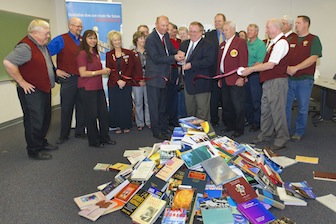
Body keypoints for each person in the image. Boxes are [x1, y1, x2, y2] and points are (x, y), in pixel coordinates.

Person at [3, 19, 58, 160]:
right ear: (34, 33)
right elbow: (8, 62)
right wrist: (22, 82)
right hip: (32, 91)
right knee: (35, 121)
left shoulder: (42, 45)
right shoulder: (25, 47)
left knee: (45, 118)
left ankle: (41, 142)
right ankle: (34, 150)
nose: (48, 36)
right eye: (46, 34)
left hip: (44, 88)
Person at [241, 18, 290, 150]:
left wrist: (251, 69)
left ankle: (282, 138)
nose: (266, 30)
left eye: (268, 27)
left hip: (277, 82)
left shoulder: (281, 43)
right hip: (269, 82)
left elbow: (270, 65)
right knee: (266, 110)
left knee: (278, 111)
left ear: (276, 28)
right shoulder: (273, 43)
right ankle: (266, 134)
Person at [145, 15, 185, 140]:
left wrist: (177, 52)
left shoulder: (166, 36)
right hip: (154, 77)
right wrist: (174, 58)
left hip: (165, 77)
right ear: (156, 25)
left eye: (167, 25)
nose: (165, 28)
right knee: (155, 106)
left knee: (163, 105)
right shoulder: (151, 39)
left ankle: (163, 127)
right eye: (163, 25)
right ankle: (156, 131)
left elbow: (170, 50)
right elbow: (156, 58)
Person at [48, 17, 86, 145]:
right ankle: (63, 135)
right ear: (70, 26)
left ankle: (80, 132)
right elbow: (45, 54)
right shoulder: (61, 39)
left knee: (81, 106)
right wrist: (55, 70)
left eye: (81, 26)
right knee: (66, 108)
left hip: (82, 78)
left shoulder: (83, 40)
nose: (79, 29)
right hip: (68, 79)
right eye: (77, 26)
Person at [77, 30, 116, 148]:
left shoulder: (95, 53)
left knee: (103, 114)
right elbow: (82, 73)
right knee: (91, 115)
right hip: (87, 88)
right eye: (90, 38)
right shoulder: (82, 54)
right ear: (85, 39)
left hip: (98, 87)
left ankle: (104, 137)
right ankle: (94, 141)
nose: (93, 41)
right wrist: (101, 72)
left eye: (94, 38)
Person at [286, 15, 322, 141]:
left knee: (302, 108)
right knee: (286, 106)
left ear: (306, 24)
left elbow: (313, 58)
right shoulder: (291, 38)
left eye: (298, 23)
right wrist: (287, 67)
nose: (296, 25)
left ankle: (299, 131)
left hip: (304, 80)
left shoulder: (313, 39)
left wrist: (296, 67)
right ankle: (285, 131)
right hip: (289, 79)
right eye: (296, 23)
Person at [218, 21, 248, 138]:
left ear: (233, 29)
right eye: (223, 30)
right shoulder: (222, 45)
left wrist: (242, 77)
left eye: (226, 30)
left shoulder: (240, 42)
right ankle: (230, 125)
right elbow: (219, 63)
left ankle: (239, 128)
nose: (224, 32)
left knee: (238, 105)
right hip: (224, 79)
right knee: (227, 105)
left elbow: (243, 61)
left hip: (236, 79)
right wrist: (219, 77)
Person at [179, 21, 214, 121]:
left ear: (201, 32)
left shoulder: (208, 45)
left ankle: (204, 135)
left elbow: (209, 61)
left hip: (202, 83)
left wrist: (191, 65)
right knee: (190, 111)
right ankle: (193, 134)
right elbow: (180, 59)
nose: (192, 34)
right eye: (190, 31)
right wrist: (179, 60)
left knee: (203, 112)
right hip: (188, 83)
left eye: (195, 31)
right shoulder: (184, 44)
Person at [106, 31, 136, 134]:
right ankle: (117, 125)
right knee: (115, 105)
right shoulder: (109, 54)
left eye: (118, 39)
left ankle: (126, 125)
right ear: (111, 42)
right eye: (115, 40)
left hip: (126, 83)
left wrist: (124, 80)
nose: (117, 42)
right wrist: (118, 80)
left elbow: (131, 68)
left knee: (126, 104)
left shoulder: (128, 53)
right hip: (113, 84)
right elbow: (110, 69)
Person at [204, 13, 226, 126]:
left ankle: (227, 120)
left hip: (227, 72)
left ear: (224, 22)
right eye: (215, 21)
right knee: (214, 98)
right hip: (213, 71)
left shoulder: (231, 34)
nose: (217, 23)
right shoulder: (209, 35)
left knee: (227, 98)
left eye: (219, 21)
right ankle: (214, 120)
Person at [245, 24, 267, 132]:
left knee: (256, 100)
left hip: (255, 75)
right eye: (248, 30)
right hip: (245, 74)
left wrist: (249, 70)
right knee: (247, 99)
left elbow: (260, 61)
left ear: (256, 32)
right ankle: (249, 119)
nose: (249, 32)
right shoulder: (246, 44)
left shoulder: (260, 45)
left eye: (251, 30)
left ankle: (257, 122)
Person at [132, 31, 151, 131]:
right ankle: (140, 123)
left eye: (144, 38)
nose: (143, 40)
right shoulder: (132, 53)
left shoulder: (149, 51)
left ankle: (148, 122)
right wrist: (138, 80)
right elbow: (131, 69)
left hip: (149, 81)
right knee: (138, 102)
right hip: (137, 82)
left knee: (148, 102)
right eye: (140, 38)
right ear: (136, 40)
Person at [167, 22, 180, 127]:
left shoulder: (176, 42)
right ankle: (167, 118)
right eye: (169, 29)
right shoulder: (164, 42)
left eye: (172, 29)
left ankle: (173, 118)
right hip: (166, 71)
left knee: (173, 96)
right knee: (166, 97)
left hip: (174, 71)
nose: (172, 31)